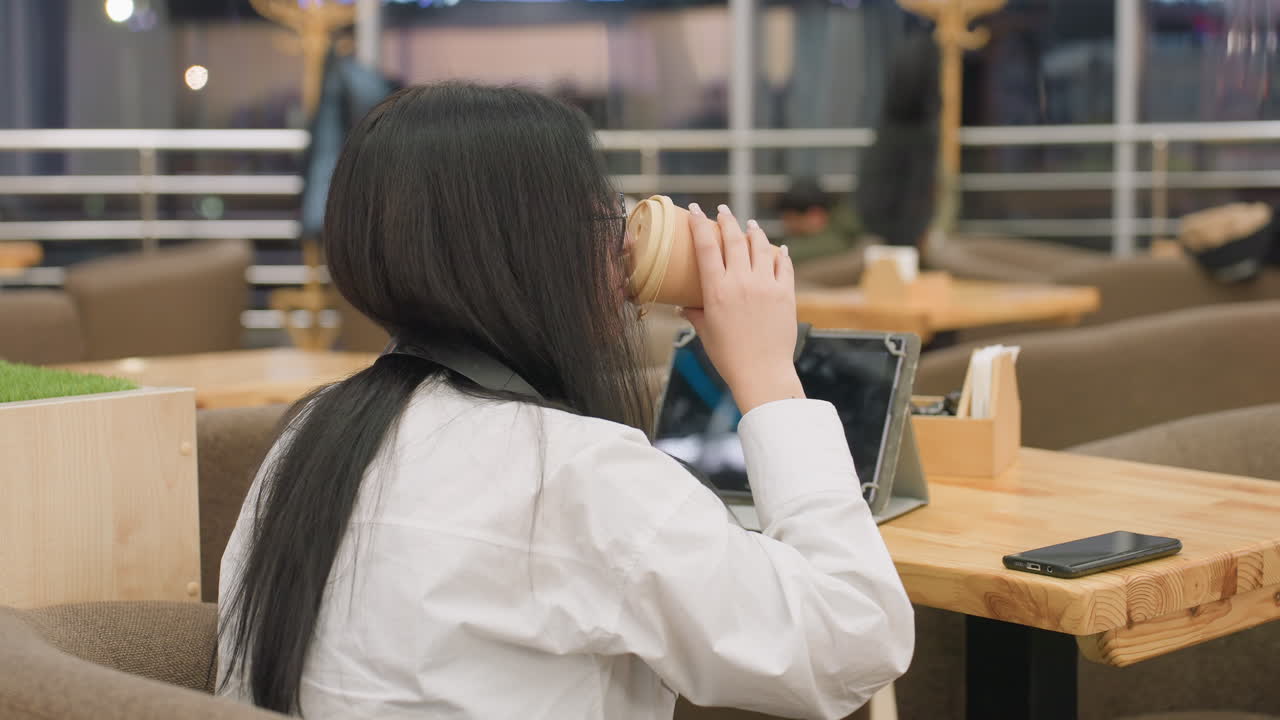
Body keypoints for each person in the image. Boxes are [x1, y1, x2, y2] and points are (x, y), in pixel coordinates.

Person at [216, 83, 913, 720]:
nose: (620, 252)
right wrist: (767, 375)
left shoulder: (307, 436)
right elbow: (852, 641)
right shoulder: (574, 477)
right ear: (523, 254)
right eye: (595, 223)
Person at [776, 177, 864, 265]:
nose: (788, 225)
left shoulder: (836, 241)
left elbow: (791, 253)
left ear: (815, 215)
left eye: (792, 218)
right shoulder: (840, 233)